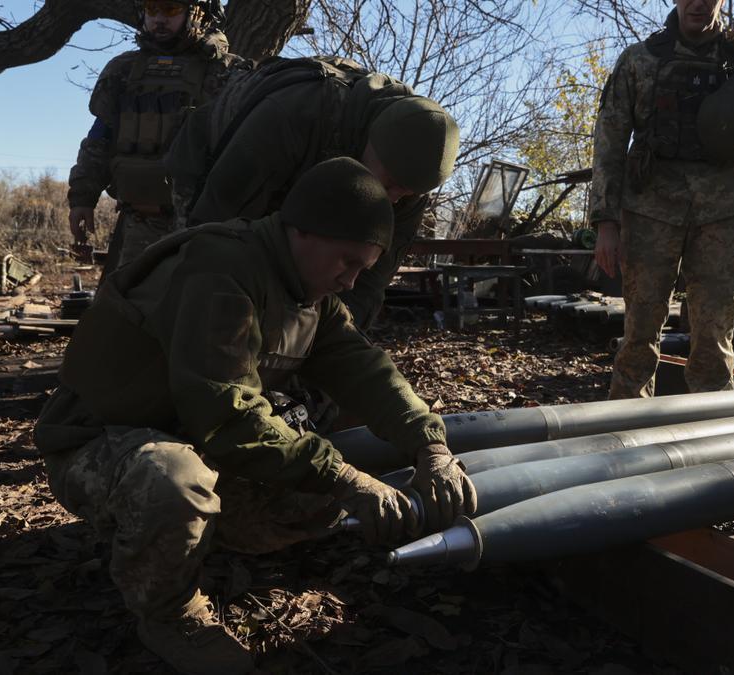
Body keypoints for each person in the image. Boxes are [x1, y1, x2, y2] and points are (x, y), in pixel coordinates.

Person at [35, 158, 477, 674]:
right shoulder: (220, 267)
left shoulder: (309, 291)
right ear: (305, 230)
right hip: (99, 442)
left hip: (185, 434)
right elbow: (225, 411)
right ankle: (168, 612)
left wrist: (430, 445)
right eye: (346, 261)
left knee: (308, 498)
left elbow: (367, 372)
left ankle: (194, 541)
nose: (349, 279)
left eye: (362, 268)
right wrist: (344, 476)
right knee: (174, 483)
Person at [164, 56, 459, 329]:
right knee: (201, 289)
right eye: (391, 183)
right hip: (215, 167)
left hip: (297, 178)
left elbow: (369, 285)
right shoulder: (294, 115)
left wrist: (330, 350)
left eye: (406, 194)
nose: (394, 199)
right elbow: (213, 226)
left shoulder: (410, 181)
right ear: (372, 142)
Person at [590, 0, 734, 397]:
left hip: (722, 212)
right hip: (650, 208)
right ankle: (623, 442)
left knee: (714, 344)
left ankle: (709, 444)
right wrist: (606, 222)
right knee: (638, 337)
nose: (699, 3)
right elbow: (609, 144)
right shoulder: (640, 60)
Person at [67, 0, 246, 278]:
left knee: (196, 312)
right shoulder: (123, 70)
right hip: (139, 222)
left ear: (197, 12)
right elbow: (99, 139)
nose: (159, 19)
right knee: (131, 311)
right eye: (152, 9)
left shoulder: (229, 73)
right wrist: (82, 197)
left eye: (171, 9)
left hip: (205, 228)